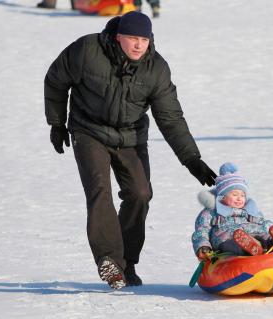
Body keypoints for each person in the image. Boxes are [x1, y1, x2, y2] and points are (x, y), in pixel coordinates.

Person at [44, 11, 216, 289]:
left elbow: (170, 118)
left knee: (141, 193)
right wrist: (56, 122)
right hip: (88, 130)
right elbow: (55, 80)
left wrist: (192, 159)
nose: (138, 45)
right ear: (118, 37)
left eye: (144, 39)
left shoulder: (156, 69)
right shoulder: (87, 50)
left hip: (130, 136)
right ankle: (109, 261)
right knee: (100, 189)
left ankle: (127, 262)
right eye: (133, 38)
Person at [192, 163, 273, 260]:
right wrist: (203, 247)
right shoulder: (211, 212)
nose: (239, 198)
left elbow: (266, 224)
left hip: (254, 234)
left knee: (267, 236)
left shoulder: (250, 210)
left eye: (242, 195)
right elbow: (201, 231)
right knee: (232, 245)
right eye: (234, 194)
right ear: (222, 197)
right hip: (227, 239)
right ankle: (250, 247)